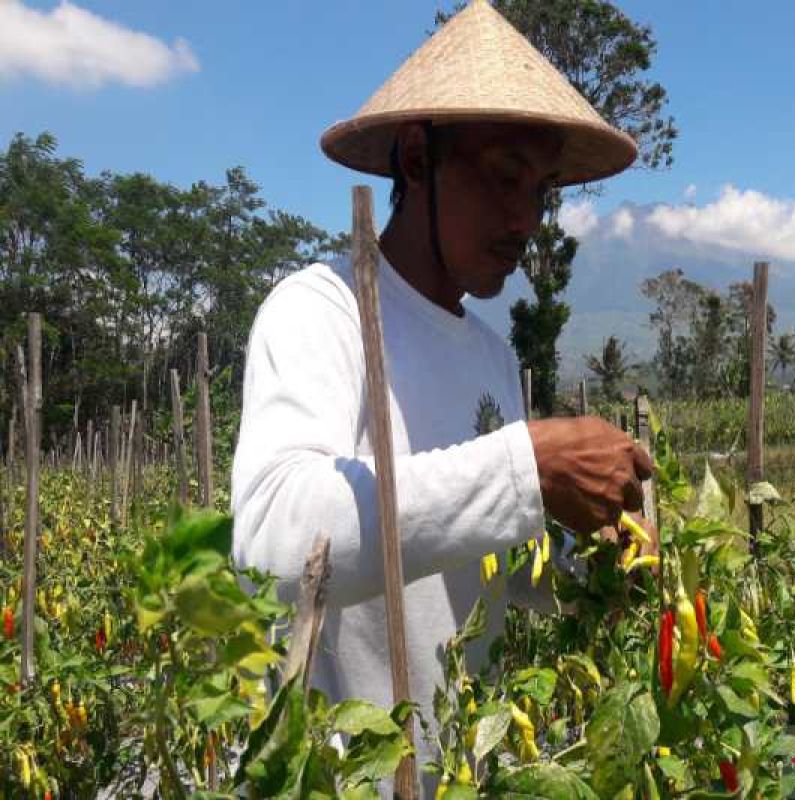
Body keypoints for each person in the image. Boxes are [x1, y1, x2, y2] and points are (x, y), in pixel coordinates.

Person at [229, 1, 655, 795]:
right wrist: (529, 468)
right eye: (504, 178)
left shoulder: (492, 355)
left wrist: (587, 565)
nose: (527, 218)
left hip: (461, 772)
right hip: (341, 777)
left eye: (541, 190)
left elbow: (485, 551)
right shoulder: (321, 309)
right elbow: (271, 548)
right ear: (418, 159)